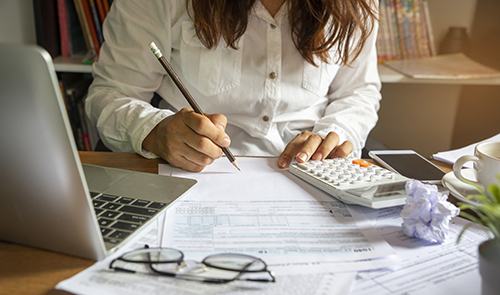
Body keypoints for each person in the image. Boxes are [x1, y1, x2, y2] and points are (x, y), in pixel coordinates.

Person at [86, 0, 381, 172]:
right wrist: (155, 131)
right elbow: (111, 93)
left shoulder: (356, 5)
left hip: (311, 175)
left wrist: (336, 135)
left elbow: (358, 92)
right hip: (189, 174)